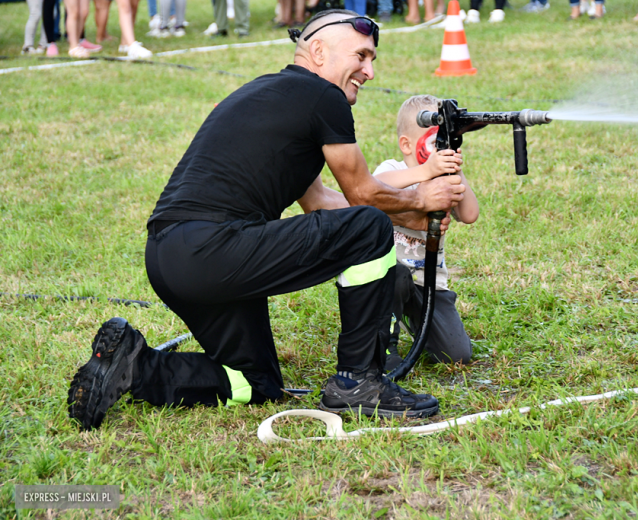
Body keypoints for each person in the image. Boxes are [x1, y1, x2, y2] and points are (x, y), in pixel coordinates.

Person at [67, 10, 467, 431]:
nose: (369, 71)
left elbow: (320, 204)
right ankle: (358, 382)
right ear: (317, 51)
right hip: (216, 249)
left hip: (169, 258)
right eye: (362, 55)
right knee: (369, 226)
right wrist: (421, 195)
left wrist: (415, 199)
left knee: (256, 382)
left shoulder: (268, 94)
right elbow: (361, 195)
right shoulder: (322, 97)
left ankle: (136, 366)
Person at [373, 95, 477, 371]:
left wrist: (455, 173)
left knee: (456, 355)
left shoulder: (444, 181)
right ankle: (384, 345)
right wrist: (425, 170)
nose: (441, 150)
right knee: (396, 275)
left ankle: (413, 318)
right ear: (407, 144)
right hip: (390, 280)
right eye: (435, 142)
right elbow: (374, 186)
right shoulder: (393, 170)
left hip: (429, 284)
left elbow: (469, 215)